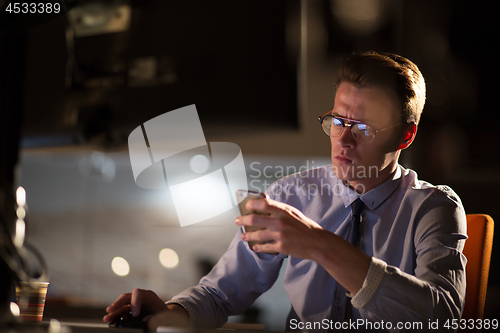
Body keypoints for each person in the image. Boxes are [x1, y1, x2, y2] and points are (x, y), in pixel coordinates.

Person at [103, 51, 467, 332]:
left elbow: (442, 318)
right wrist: (169, 313)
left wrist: (319, 244)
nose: (344, 139)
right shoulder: (292, 194)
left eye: (365, 128)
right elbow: (219, 293)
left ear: (406, 135)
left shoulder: (433, 207)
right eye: (338, 121)